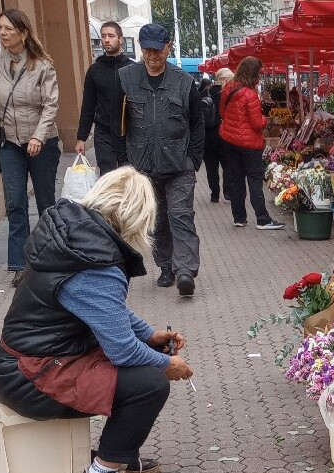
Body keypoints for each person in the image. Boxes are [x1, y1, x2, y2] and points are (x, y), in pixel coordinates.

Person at [0, 166, 194, 473]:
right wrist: (167, 364)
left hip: (25, 363)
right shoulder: (94, 261)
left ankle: (120, 455)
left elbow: (106, 309)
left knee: (146, 363)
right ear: (136, 216)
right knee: (150, 383)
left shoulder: (74, 236)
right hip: (29, 377)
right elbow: (122, 350)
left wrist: (149, 334)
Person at [117, 23, 204, 296]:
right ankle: (165, 266)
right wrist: (123, 164)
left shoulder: (184, 82)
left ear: (169, 47)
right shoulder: (126, 78)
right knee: (156, 221)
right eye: (147, 50)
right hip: (142, 166)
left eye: (158, 50)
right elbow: (115, 123)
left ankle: (185, 271)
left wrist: (192, 160)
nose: (153, 56)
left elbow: (198, 124)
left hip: (179, 165)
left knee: (181, 216)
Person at [0, 9, 60, 287]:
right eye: (0, 28)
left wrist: (38, 136)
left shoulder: (43, 65)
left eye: (8, 29)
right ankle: (19, 265)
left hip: (42, 143)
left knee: (46, 204)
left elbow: (50, 105)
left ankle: (50, 258)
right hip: (9, 143)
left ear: (22, 33)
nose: (2, 33)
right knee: (16, 204)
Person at [219, 57, 283, 231]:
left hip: (230, 140)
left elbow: (222, 112)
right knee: (255, 180)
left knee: (236, 179)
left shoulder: (228, 89)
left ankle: (239, 218)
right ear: (254, 74)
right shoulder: (250, 94)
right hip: (249, 144)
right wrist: (265, 119)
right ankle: (262, 219)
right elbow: (257, 123)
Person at [75, 21, 133, 174]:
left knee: (128, 176)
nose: (106, 40)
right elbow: (88, 105)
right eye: (103, 36)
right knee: (108, 176)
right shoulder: (95, 70)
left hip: (129, 132)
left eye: (111, 36)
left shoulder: (132, 69)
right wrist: (82, 137)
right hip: (104, 132)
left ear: (121, 39)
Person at [203, 68, 232, 203]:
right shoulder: (228, 94)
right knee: (227, 165)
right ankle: (227, 192)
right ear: (224, 79)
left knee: (211, 168)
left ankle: (214, 194)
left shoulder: (205, 93)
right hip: (223, 134)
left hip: (207, 137)